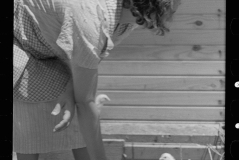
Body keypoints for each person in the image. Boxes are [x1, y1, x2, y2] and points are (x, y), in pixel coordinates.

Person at [13, 0, 181, 160]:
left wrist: (71, 88)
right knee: (30, 118)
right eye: (172, 7)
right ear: (151, 9)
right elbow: (85, 103)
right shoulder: (91, 18)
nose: (175, 10)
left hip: (46, 47)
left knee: (75, 118)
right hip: (19, 40)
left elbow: (92, 57)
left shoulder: (127, 19)